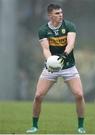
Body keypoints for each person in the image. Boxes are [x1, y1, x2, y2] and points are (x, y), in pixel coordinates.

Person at [26, 3, 86, 134]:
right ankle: (34, 126)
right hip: (51, 66)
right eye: (57, 13)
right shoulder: (42, 30)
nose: (61, 15)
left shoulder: (69, 25)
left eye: (61, 13)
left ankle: (81, 126)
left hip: (68, 65)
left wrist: (64, 56)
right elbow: (46, 49)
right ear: (50, 15)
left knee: (79, 95)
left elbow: (71, 44)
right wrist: (49, 61)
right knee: (38, 96)